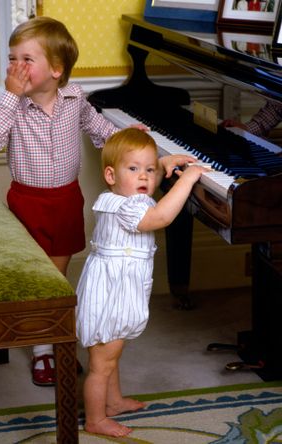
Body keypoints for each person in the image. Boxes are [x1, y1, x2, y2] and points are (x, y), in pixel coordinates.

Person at [0, 16, 188, 386]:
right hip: (27, 200)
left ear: (56, 70)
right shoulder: (12, 106)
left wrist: (125, 137)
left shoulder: (75, 99)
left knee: (56, 277)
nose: (16, 67)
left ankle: (50, 341)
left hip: (65, 199)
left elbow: (99, 131)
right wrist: (10, 95)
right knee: (36, 278)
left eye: (27, 59)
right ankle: (43, 351)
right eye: (12, 58)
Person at [75, 127, 211, 437]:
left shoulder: (117, 196)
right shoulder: (129, 207)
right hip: (111, 292)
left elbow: (144, 186)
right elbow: (161, 217)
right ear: (111, 175)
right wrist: (187, 179)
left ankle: (114, 402)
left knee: (112, 353)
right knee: (102, 362)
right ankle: (96, 418)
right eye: (134, 169)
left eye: (149, 170)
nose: (145, 178)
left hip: (110, 285)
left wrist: (163, 165)